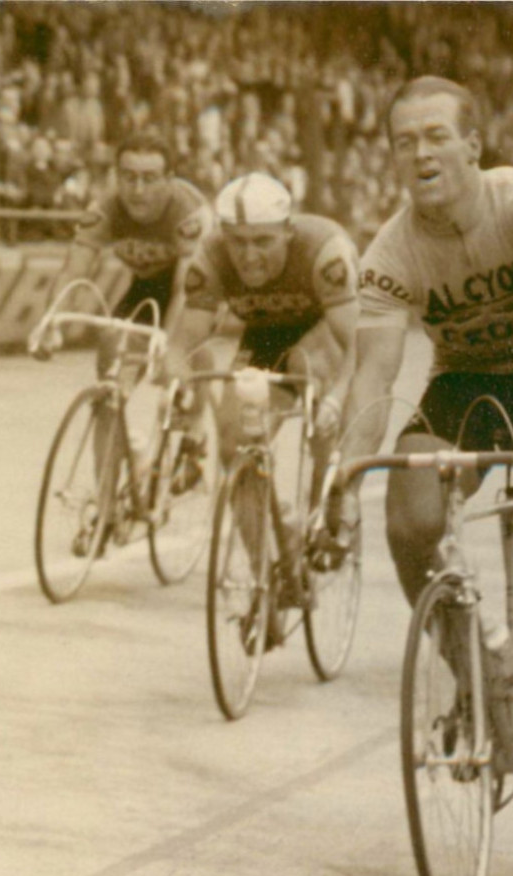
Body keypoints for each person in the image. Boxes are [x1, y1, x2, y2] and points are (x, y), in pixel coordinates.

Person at [328, 76, 513, 778]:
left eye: (436, 137)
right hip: (465, 380)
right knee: (408, 520)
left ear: (472, 144)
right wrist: (341, 472)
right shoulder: (389, 252)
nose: (420, 154)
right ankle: (473, 674)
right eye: (403, 143)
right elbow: (372, 376)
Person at [162, 171, 359, 625]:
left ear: (288, 232)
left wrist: (335, 402)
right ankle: (268, 572)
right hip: (264, 337)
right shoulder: (209, 257)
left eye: (263, 242)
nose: (249, 256)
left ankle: (328, 501)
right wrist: (180, 389)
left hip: (321, 332)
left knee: (310, 385)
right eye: (239, 242)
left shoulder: (324, 250)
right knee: (235, 444)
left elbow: (358, 346)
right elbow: (183, 343)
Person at [36, 132, 209, 377]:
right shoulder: (105, 207)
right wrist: (50, 322)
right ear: (116, 177)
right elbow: (74, 271)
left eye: (149, 179)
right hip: (149, 282)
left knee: (180, 351)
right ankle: (110, 406)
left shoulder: (187, 211)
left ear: (169, 180)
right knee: (112, 344)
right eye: (129, 177)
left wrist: (170, 348)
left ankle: (189, 399)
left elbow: (185, 288)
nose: (138, 190)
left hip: (198, 290)